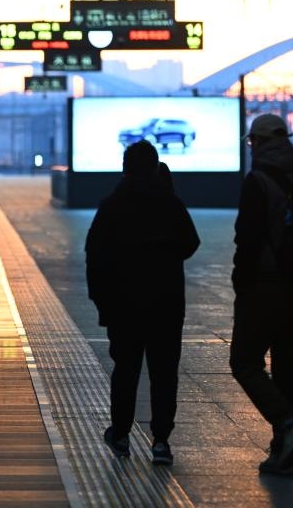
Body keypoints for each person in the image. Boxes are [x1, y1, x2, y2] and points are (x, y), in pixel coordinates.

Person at [85, 143, 199, 466]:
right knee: (164, 372)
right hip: (166, 304)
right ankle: (161, 441)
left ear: (125, 168)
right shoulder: (170, 203)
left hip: (123, 306)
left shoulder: (112, 205)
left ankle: (121, 435)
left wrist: (101, 300)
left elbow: (95, 255)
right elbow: (191, 242)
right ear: (155, 167)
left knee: (126, 370)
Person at [230, 114, 293, 476]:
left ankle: (288, 422)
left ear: (261, 142)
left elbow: (247, 239)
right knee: (288, 370)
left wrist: (241, 282)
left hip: (265, 285)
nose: (251, 148)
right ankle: (283, 454)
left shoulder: (258, 181)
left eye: (252, 142)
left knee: (244, 361)